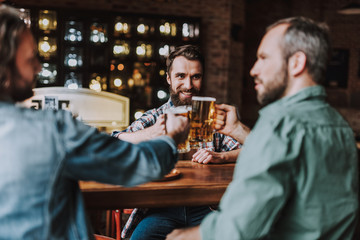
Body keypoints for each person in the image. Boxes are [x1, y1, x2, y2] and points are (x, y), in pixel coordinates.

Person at [0, 5, 189, 239]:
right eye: (30, 59)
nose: (38, 67)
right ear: (5, 67)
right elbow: (139, 164)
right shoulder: (52, 129)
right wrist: (171, 138)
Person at [166, 16, 359, 240]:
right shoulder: (340, 126)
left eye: (263, 58)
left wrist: (180, 237)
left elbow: (237, 229)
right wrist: (238, 130)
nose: (254, 70)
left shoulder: (280, 124)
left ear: (296, 63)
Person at [114, 45, 242, 239]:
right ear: (169, 79)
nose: (189, 85)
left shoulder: (213, 119)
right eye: (181, 76)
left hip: (206, 207)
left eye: (196, 76)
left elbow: (251, 151)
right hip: (161, 208)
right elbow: (114, 142)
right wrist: (150, 133)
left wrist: (222, 156)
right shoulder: (155, 117)